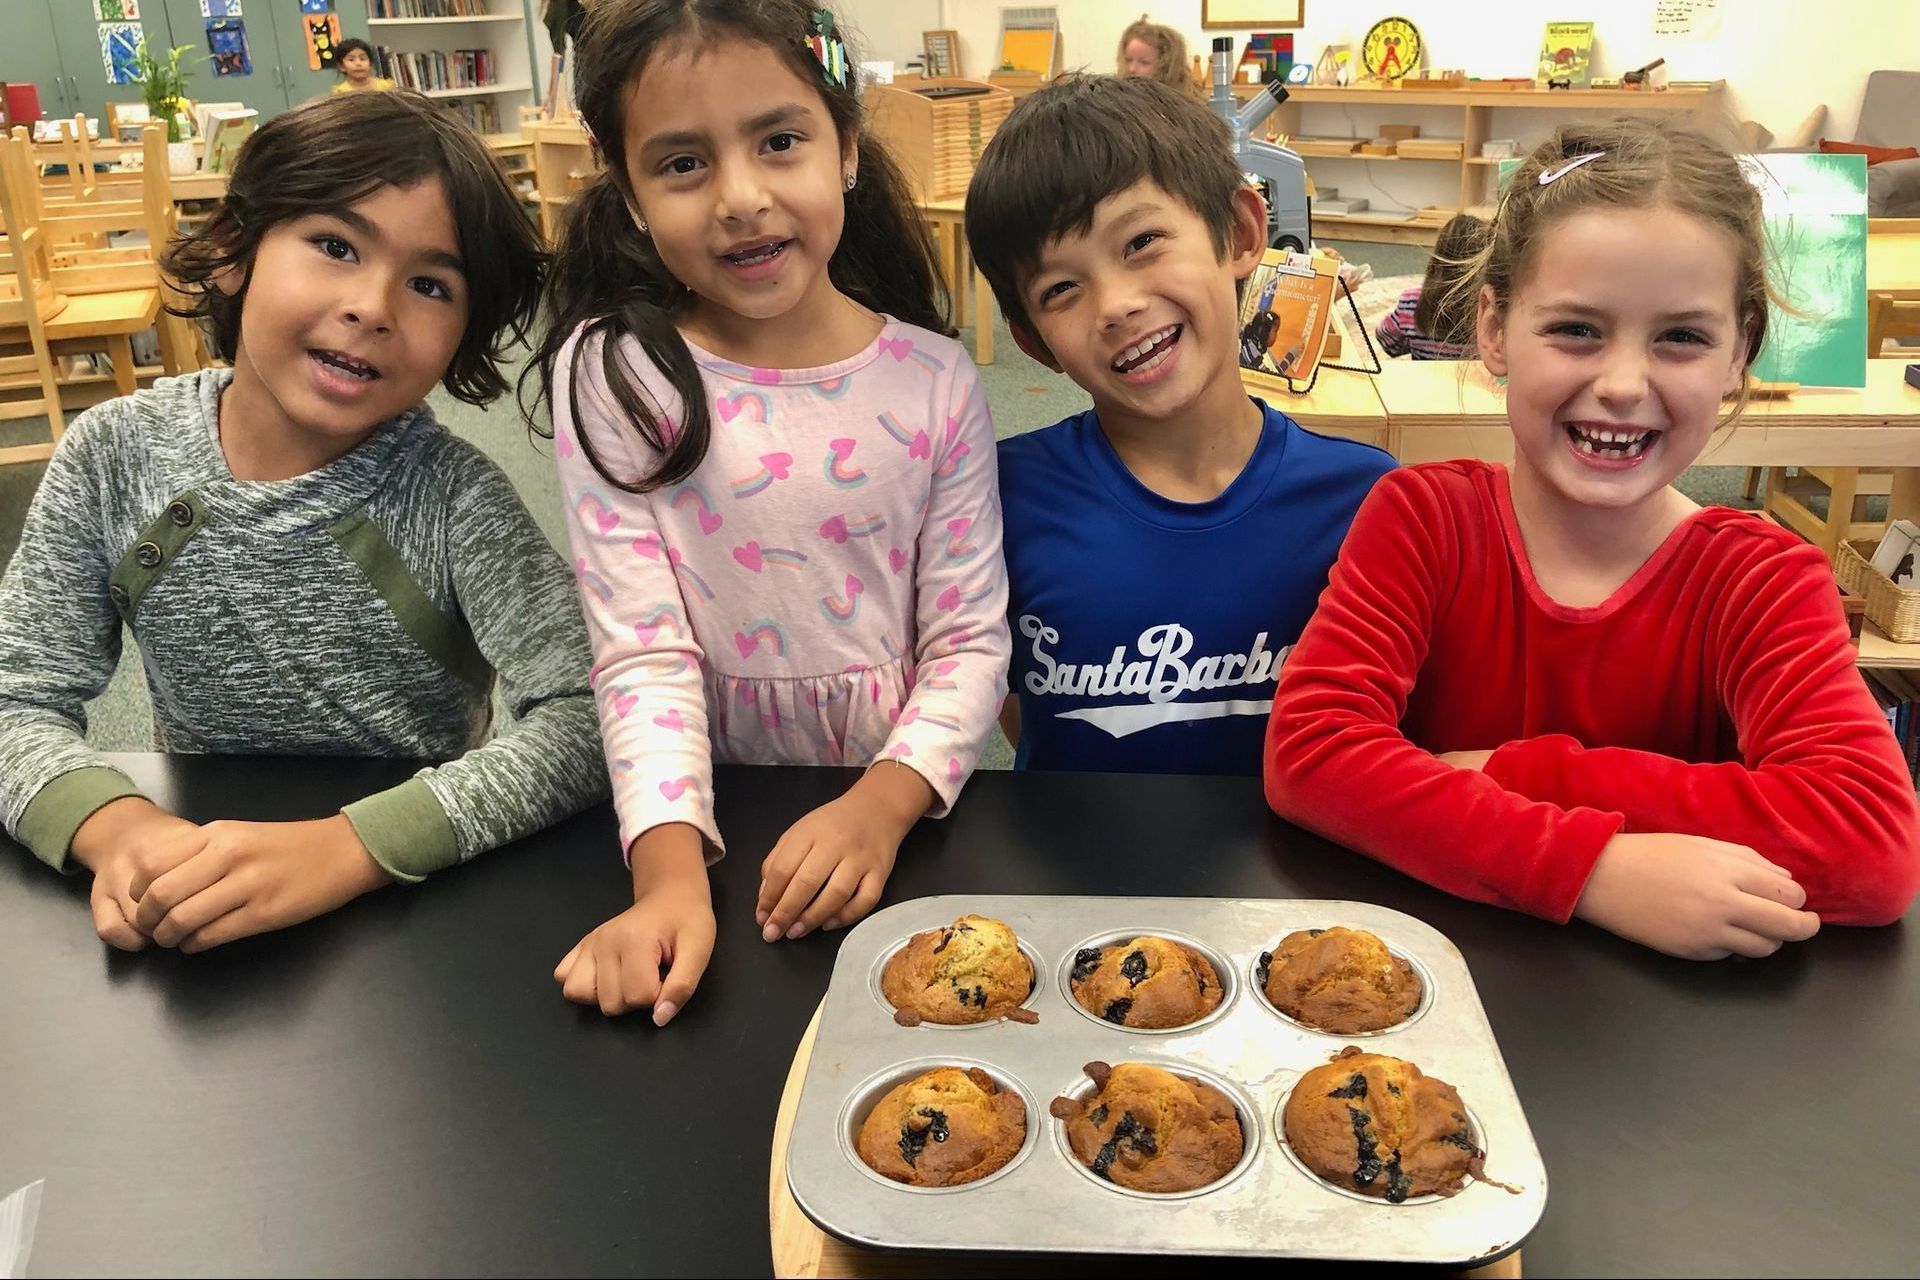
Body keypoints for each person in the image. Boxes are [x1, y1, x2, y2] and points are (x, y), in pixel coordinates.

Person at [1264, 118, 1920, 959]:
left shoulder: (1764, 579)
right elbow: (1315, 754)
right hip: (1427, 995)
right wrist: (1595, 868)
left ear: (1738, 355)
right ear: (1495, 331)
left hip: (1672, 1043)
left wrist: (1506, 773)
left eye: (1681, 337)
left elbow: (1866, 844)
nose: (1620, 384)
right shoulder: (1422, 519)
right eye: (1576, 329)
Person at [0, 90, 607, 954]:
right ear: (234, 253)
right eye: (334, 245)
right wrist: (120, 830)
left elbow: (592, 712)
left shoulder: (450, 497)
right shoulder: (113, 456)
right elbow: (15, 698)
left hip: (412, 909)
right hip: (193, 885)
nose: (373, 306)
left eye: (431, 284)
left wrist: (352, 847)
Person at [529, 0, 1009, 1022]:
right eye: (683, 163)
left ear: (845, 149)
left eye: (780, 141)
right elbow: (640, 648)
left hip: (902, 808)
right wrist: (667, 877)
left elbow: (968, 642)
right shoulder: (614, 373)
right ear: (628, 191)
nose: (741, 197)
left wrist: (883, 809)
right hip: (698, 810)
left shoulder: (934, 380)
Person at [966, 74, 1393, 776]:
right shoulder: (997, 499)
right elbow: (1015, 709)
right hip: (1071, 877)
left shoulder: (1367, 502)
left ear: (1240, 233)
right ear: (1033, 341)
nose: (1115, 304)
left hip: (1296, 881)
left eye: (1141, 242)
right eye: (1061, 289)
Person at [1374, 212, 1490, 360]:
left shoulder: (1411, 300)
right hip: (1473, 382)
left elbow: (1387, 342)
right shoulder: (1489, 306)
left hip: (1422, 382)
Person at [1117, 16, 1198, 99]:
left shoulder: (1180, 106)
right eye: (1128, 60)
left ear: (1166, 67)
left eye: (1144, 62)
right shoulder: (1117, 99)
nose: (1132, 69)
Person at [330, 39, 396, 94]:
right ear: (342, 66)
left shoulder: (386, 87)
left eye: (362, 59)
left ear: (370, 64)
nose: (358, 63)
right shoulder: (341, 92)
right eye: (351, 60)